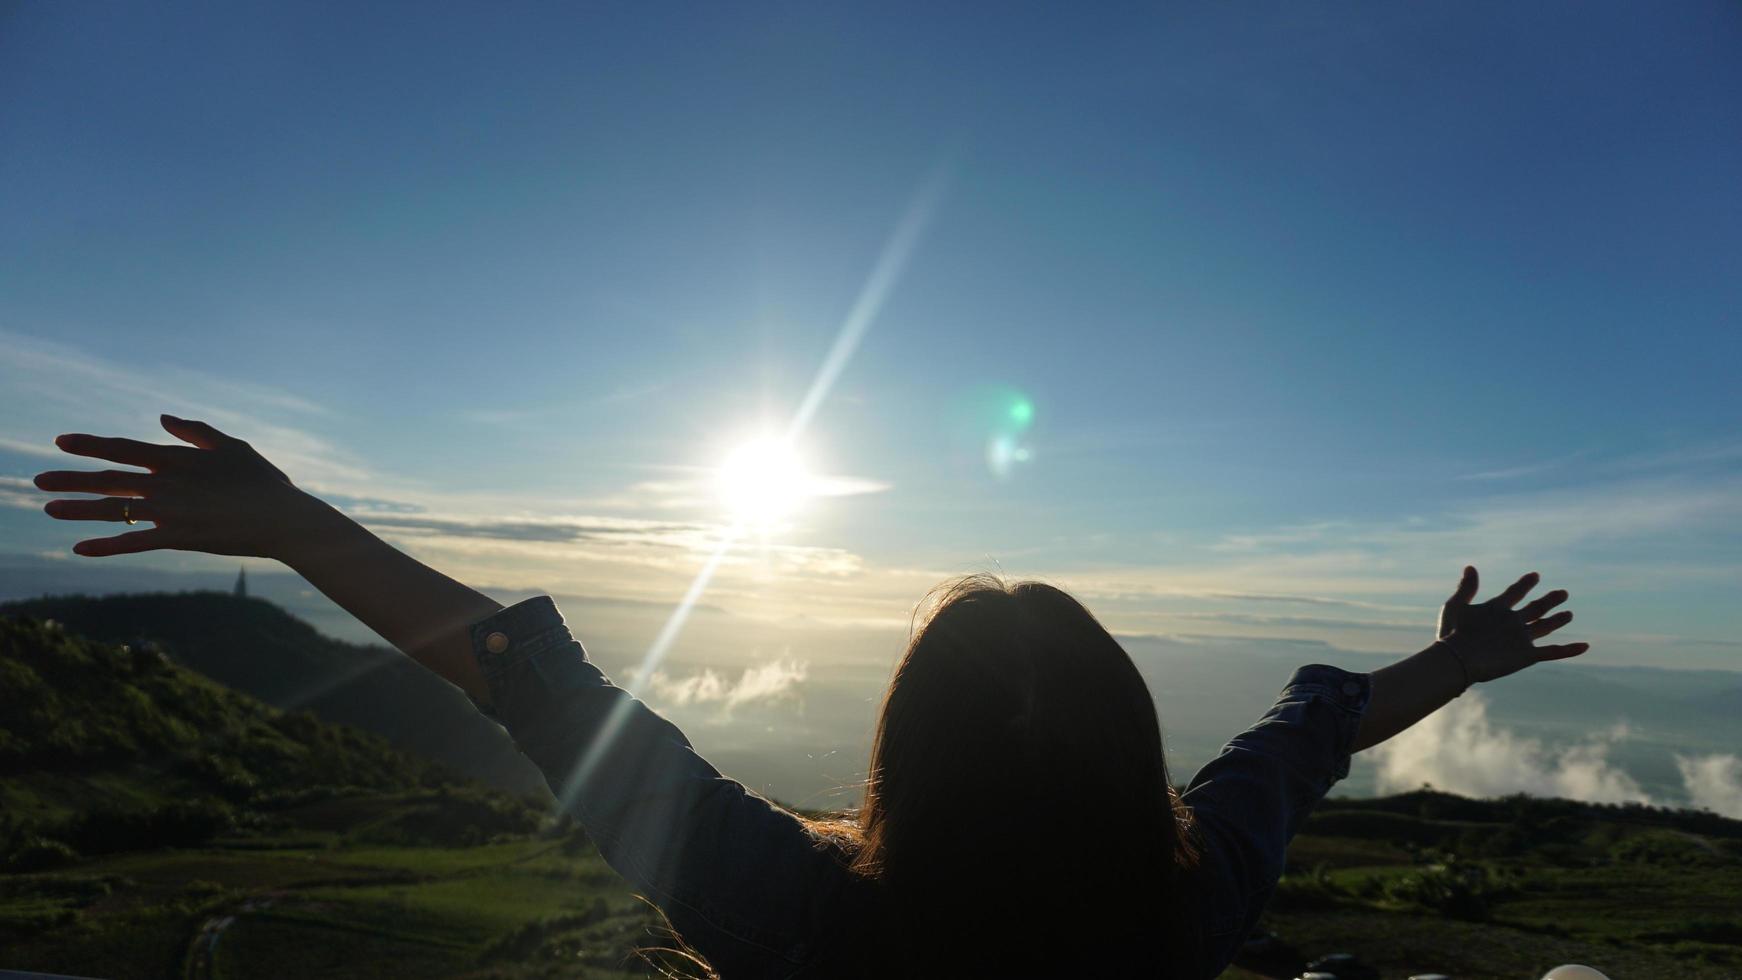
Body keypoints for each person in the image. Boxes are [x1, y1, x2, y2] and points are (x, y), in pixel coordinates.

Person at [34, 416, 1588, 978]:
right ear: (1127, 761)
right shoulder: (1187, 911)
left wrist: (300, 526)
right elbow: (1300, 739)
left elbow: (535, 692)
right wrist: (1454, 662)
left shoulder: (796, 916)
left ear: (904, 754)